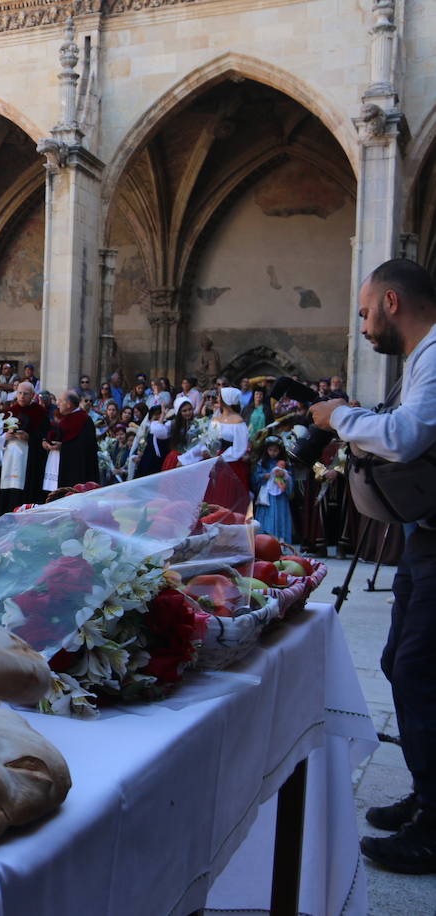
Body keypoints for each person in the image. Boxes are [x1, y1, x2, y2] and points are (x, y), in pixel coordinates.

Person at [309, 258, 436, 872]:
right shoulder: (417, 361)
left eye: (364, 312)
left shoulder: (435, 354)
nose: (362, 326)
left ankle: (435, 823)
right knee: (399, 662)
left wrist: (340, 418)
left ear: (391, 301)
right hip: (426, 536)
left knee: (418, 669)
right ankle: (426, 793)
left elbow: (409, 437)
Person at [0, 380, 50, 512]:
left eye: (26, 394)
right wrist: (6, 436)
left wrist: (30, 438)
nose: (22, 396)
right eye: (20, 393)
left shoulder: (40, 412)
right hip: (9, 459)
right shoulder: (9, 412)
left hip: (30, 460)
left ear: (33, 395)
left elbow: (46, 435)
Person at [41, 391, 99, 493]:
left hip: (75, 469)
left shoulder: (84, 419)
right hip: (57, 462)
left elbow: (85, 447)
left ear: (68, 404)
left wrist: (63, 447)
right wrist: (46, 442)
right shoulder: (64, 418)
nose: (57, 403)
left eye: (60, 401)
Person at [251, 437, 294, 542]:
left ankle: (280, 541)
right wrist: (263, 476)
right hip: (267, 495)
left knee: (280, 516)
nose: (273, 453)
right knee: (266, 517)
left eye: (275, 450)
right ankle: (264, 540)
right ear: (266, 450)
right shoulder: (262, 463)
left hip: (280, 496)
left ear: (280, 450)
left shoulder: (285, 463)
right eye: (270, 450)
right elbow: (255, 477)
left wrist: (284, 474)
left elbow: (291, 477)